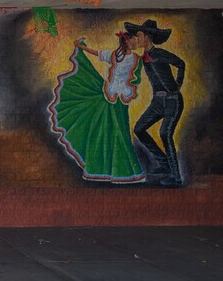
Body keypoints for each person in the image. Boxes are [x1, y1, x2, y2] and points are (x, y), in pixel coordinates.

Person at [48, 31, 146, 183]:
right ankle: (118, 170)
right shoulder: (114, 56)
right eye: (133, 39)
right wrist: (81, 47)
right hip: (110, 96)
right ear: (126, 41)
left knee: (122, 130)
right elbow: (97, 53)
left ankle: (122, 170)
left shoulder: (137, 59)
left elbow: (136, 77)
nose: (135, 42)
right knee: (113, 131)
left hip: (123, 99)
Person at [125, 19, 186, 187]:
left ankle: (176, 176)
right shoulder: (144, 58)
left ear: (147, 36)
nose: (137, 38)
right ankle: (164, 164)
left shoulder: (160, 54)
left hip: (172, 100)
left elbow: (180, 63)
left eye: (139, 35)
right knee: (139, 128)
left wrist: (178, 84)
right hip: (157, 101)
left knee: (165, 134)